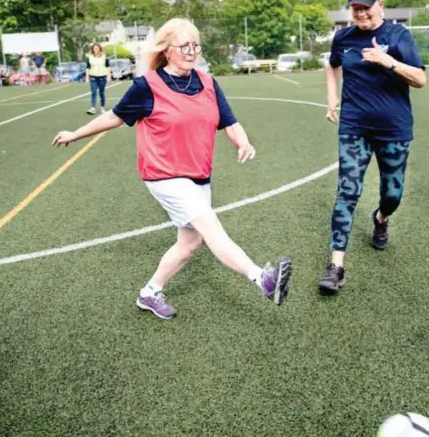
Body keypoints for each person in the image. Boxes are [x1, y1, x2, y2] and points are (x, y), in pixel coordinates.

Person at [52, 18, 292, 320]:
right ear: (167, 50)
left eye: (196, 46)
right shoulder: (147, 86)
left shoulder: (207, 83)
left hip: (198, 175)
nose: (192, 52)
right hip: (164, 174)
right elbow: (113, 117)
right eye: (185, 46)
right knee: (210, 226)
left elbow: (229, 120)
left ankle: (150, 293)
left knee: (189, 243)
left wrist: (242, 140)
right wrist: (75, 134)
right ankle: (263, 280)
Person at [319, 0, 427, 295]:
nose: (361, 14)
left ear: (381, 3)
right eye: (355, 8)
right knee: (347, 192)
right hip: (354, 128)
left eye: (366, 7)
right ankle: (335, 266)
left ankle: (381, 218)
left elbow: (420, 78)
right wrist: (331, 98)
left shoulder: (399, 36)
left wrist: (388, 61)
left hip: (394, 130)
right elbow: (331, 66)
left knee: (393, 195)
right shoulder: (343, 38)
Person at [85, 44, 111, 115]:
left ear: (100, 49)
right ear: (92, 49)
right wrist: (87, 77)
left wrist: (109, 76)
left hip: (102, 77)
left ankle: (102, 107)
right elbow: (87, 68)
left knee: (101, 93)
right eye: (94, 48)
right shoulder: (90, 58)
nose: (96, 49)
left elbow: (108, 67)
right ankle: (92, 108)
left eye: (97, 48)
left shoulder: (104, 57)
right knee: (93, 92)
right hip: (93, 77)